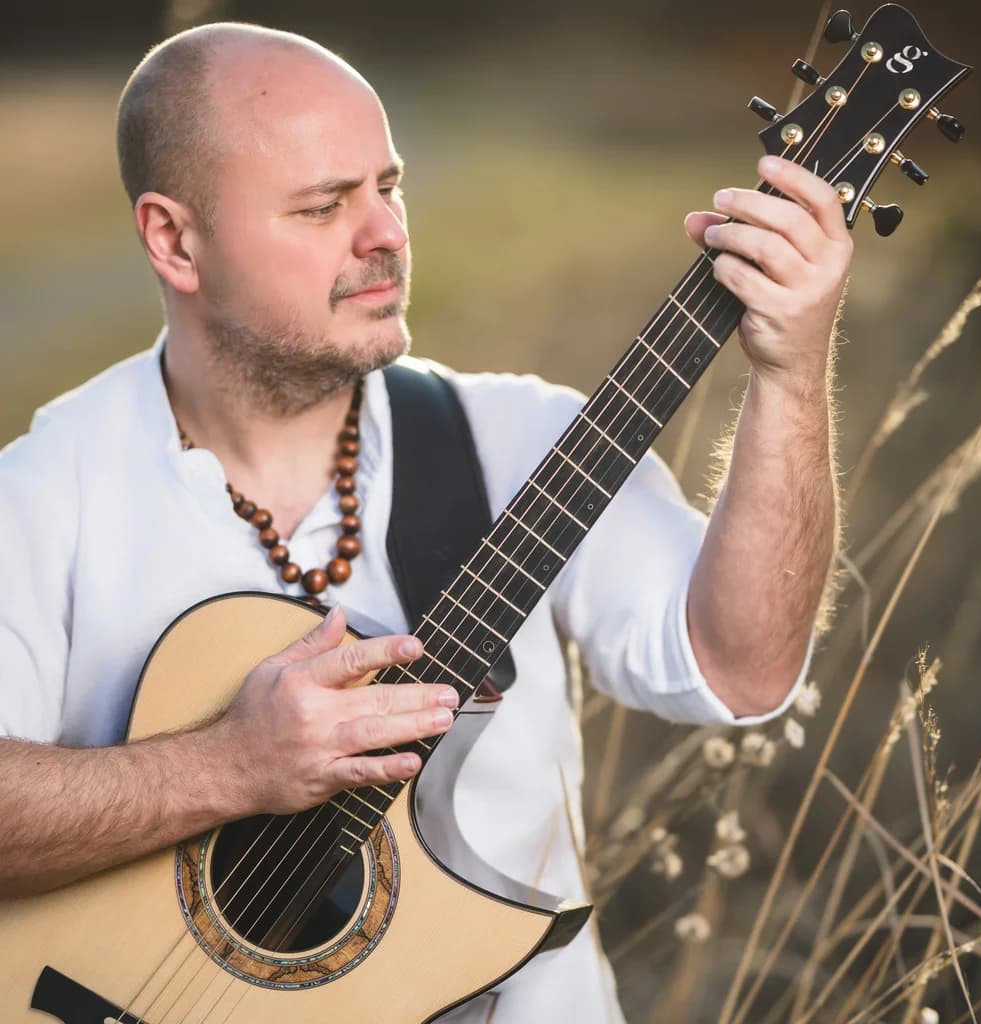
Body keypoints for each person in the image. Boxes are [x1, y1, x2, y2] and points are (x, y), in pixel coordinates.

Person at [0, 21, 850, 1022]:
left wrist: (791, 375)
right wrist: (228, 767)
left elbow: (739, 670)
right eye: (323, 205)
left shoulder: (529, 443)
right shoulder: (42, 494)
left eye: (388, 187)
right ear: (174, 239)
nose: (385, 235)